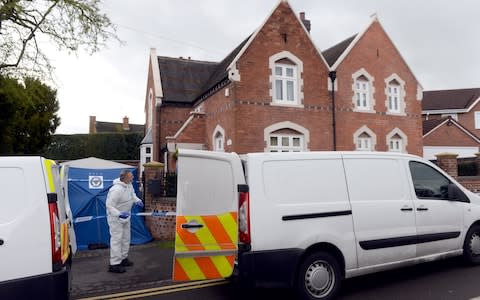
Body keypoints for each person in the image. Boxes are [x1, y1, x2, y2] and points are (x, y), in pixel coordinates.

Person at [106, 169, 144, 273]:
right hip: (116, 218)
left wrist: (137, 200)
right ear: (125, 178)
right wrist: (118, 214)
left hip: (126, 216)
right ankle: (114, 264)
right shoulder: (116, 190)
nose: (133, 178)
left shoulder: (129, 185)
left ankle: (123, 258)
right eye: (131, 176)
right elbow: (109, 206)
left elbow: (133, 195)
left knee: (126, 238)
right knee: (117, 240)